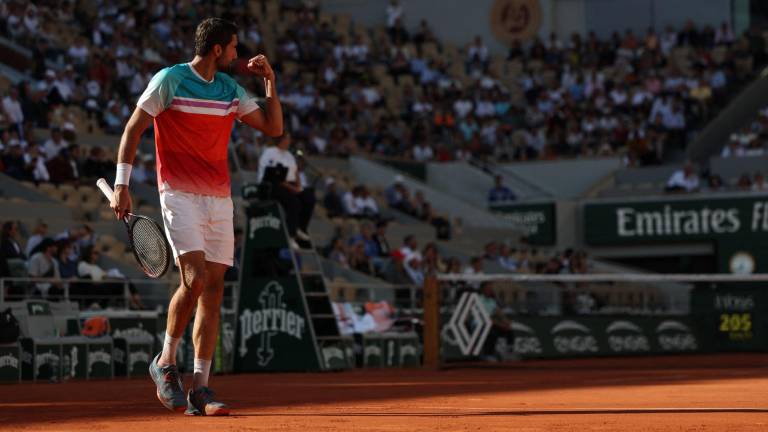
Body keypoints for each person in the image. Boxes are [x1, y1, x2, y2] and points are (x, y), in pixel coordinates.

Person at [111, 18, 283, 416]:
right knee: (195, 278)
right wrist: (122, 184)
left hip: (219, 199)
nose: (238, 54)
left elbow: (274, 127)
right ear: (217, 49)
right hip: (178, 194)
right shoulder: (169, 80)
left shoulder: (229, 89)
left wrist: (270, 82)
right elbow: (134, 128)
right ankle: (165, 360)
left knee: (214, 289)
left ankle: (200, 389)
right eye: (234, 47)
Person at [257, 132, 315, 247]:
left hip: (288, 185)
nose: (289, 141)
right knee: (294, 201)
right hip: (270, 186)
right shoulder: (270, 152)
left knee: (309, 198)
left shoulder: (289, 155)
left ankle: (300, 228)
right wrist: (293, 188)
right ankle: (290, 235)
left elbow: (295, 173)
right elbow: (274, 176)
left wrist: (299, 187)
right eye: (288, 138)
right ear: (281, 140)